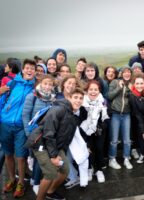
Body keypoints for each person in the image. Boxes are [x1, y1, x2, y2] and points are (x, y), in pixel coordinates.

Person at [31, 88, 84, 200]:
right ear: (68, 98)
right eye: (75, 97)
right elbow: (48, 134)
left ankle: (50, 192)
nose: (78, 101)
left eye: (80, 98)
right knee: (50, 173)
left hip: (55, 145)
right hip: (41, 143)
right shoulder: (58, 110)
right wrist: (54, 156)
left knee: (65, 170)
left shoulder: (74, 115)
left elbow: (67, 138)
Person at [0, 59, 36, 198]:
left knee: (21, 157)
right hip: (5, 124)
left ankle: (21, 182)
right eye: (27, 68)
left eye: (32, 69)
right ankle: (11, 179)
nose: (29, 70)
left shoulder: (35, 88)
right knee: (8, 154)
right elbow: (2, 100)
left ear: (34, 71)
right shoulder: (13, 83)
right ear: (22, 70)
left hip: (21, 126)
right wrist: (2, 116)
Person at [22, 74, 56, 195]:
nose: (47, 86)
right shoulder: (32, 96)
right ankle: (36, 183)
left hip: (46, 134)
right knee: (38, 159)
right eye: (45, 83)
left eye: (50, 84)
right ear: (40, 83)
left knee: (39, 159)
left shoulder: (53, 98)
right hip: (34, 134)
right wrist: (28, 133)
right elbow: (25, 115)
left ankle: (33, 180)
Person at [80, 80, 109, 183]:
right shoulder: (82, 102)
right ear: (87, 91)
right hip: (86, 131)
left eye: (95, 89)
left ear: (99, 90)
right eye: (91, 89)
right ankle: (90, 168)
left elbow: (106, 118)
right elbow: (81, 118)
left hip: (99, 130)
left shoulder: (103, 101)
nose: (93, 92)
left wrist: (100, 127)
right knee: (89, 149)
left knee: (99, 149)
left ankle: (99, 170)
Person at [107, 66, 133, 169]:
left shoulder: (131, 84)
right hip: (115, 114)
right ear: (121, 73)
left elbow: (133, 100)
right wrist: (119, 87)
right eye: (124, 72)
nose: (127, 74)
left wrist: (131, 90)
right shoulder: (114, 82)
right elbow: (109, 96)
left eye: (128, 72)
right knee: (114, 139)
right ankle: (112, 159)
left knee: (127, 140)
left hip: (127, 114)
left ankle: (126, 158)